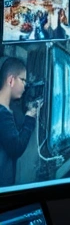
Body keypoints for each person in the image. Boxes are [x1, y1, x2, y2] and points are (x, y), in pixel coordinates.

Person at [0, 57, 36, 187]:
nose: (25, 85)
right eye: (23, 80)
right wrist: (30, 119)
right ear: (10, 80)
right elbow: (16, 148)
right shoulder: (2, 113)